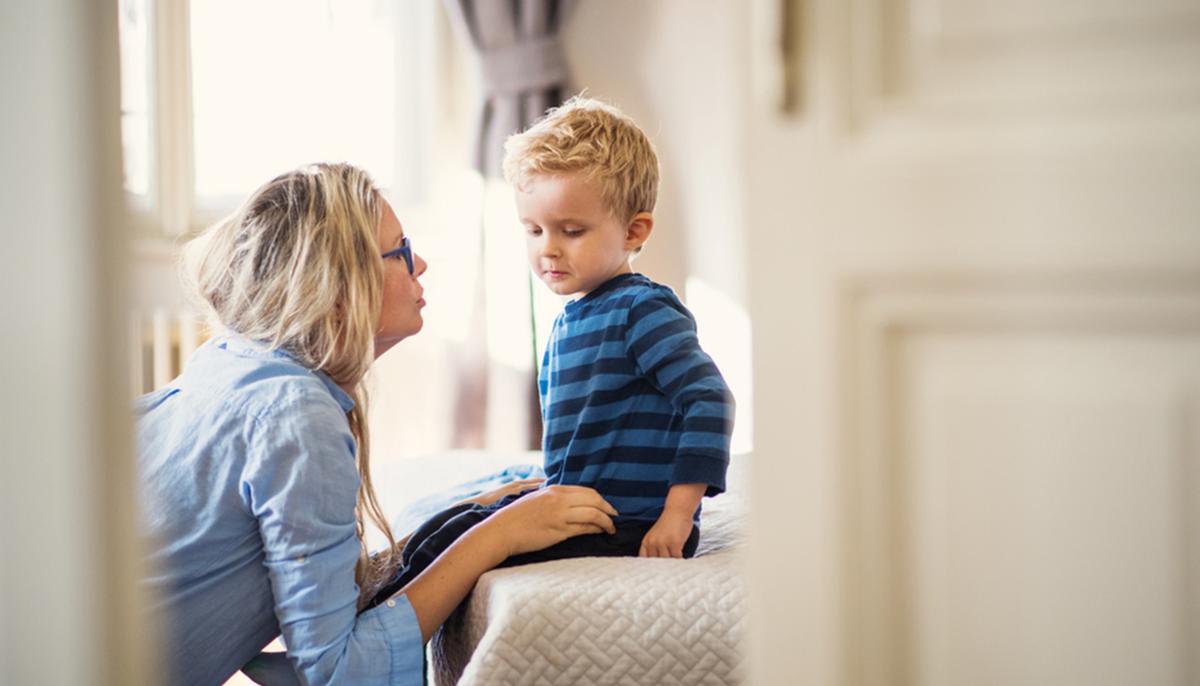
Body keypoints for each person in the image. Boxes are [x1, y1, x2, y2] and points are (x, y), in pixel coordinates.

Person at [134, 163, 619, 686]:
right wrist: (498, 537)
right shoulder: (295, 413)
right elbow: (339, 672)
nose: (422, 264)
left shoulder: (230, 361)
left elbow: (318, 596)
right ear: (338, 289)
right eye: (400, 252)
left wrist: (465, 519)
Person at [378, 97, 734, 595]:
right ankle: (358, 618)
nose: (548, 247)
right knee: (449, 524)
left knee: (463, 545)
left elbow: (709, 400)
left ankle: (363, 637)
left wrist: (677, 515)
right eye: (534, 229)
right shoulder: (574, 317)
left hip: (627, 522)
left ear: (634, 231)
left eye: (571, 231)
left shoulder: (642, 310)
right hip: (579, 507)